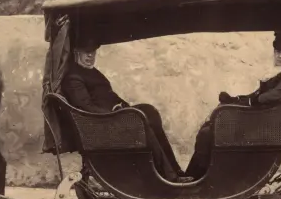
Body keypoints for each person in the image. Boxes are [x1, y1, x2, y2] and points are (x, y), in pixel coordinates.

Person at [61, 37, 189, 182]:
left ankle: (175, 170)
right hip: (100, 126)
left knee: (149, 113)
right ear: (76, 52)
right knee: (140, 122)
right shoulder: (73, 77)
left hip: (112, 118)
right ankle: (169, 176)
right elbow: (86, 108)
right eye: (86, 52)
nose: (91, 56)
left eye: (93, 52)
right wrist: (116, 115)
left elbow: (109, 96)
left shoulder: (91, 72)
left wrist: (124, 107)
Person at [184, 41, 281, 180]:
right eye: (277, 52)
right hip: (258, 123)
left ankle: (197, 178)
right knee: (209, 129)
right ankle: (193, 176)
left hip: (260, 129)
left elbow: (270, 97)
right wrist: (236, 99)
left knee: (206, 133)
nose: (280, 56)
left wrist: (250, 101)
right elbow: (259, 95)